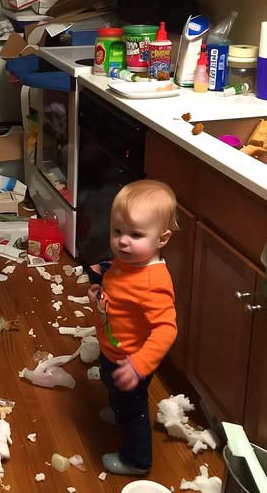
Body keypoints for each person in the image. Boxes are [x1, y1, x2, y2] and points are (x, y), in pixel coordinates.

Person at [88, 179, 178, 475]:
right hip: (112, 350)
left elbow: (166, 329)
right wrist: (101, 288)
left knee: (133, 411)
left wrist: (139, 364)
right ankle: (117, 409)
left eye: (135, 234)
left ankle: (136, 461)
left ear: (162, 239)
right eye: (117, 231)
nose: (122, 241)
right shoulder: (130, 261)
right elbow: (122, 291)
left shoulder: (154, 282)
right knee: (111, 385)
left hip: (131, 361)